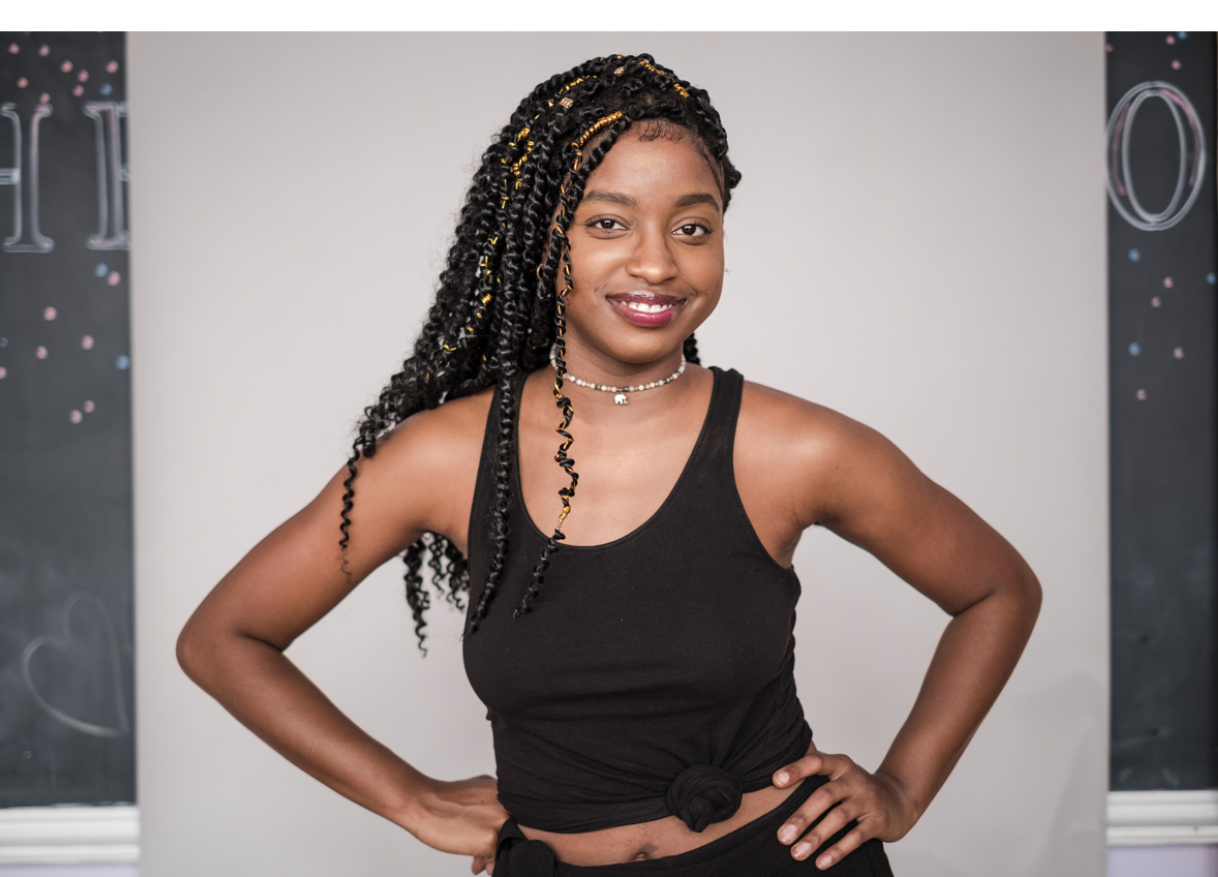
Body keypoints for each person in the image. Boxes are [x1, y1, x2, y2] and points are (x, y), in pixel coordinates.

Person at [177, 54, 1042, 876]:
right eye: (607, 222)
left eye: (692, 227)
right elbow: (223, 638)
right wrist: (409, 797)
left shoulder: (794, 447)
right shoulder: (443, 456)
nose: (657, 261)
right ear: (539, 240)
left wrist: (902, 787)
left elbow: (996, 589)